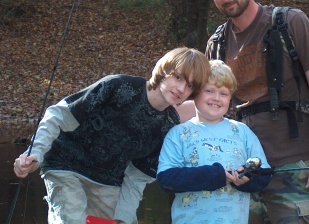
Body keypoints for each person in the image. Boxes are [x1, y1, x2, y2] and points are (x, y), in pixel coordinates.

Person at [197, 0, 309, 223]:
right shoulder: (215, 44)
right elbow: (208, 111)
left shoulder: (290, 23)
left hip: (293, 165)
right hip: (240, 170)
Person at [13, 47, 211, 224]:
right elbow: (58, 114)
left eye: (190, 86)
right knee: (71, 219)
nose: (181, 89)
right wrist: (36, 153)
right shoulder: (118, 87)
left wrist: (123, 217)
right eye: (178, 77)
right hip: (65, 164)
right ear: (164, 70)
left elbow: (136, 178)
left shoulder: (169, 126)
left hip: (108, 182)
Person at [157, 60, 271, 224]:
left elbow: (264, 173)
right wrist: (213, 176)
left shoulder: (243, 132)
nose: (216, 98)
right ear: (194, 93)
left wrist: (248, 178)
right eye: (209, 91)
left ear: (230, 98)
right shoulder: (178, 133)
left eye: (223, 93)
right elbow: (166, 180)